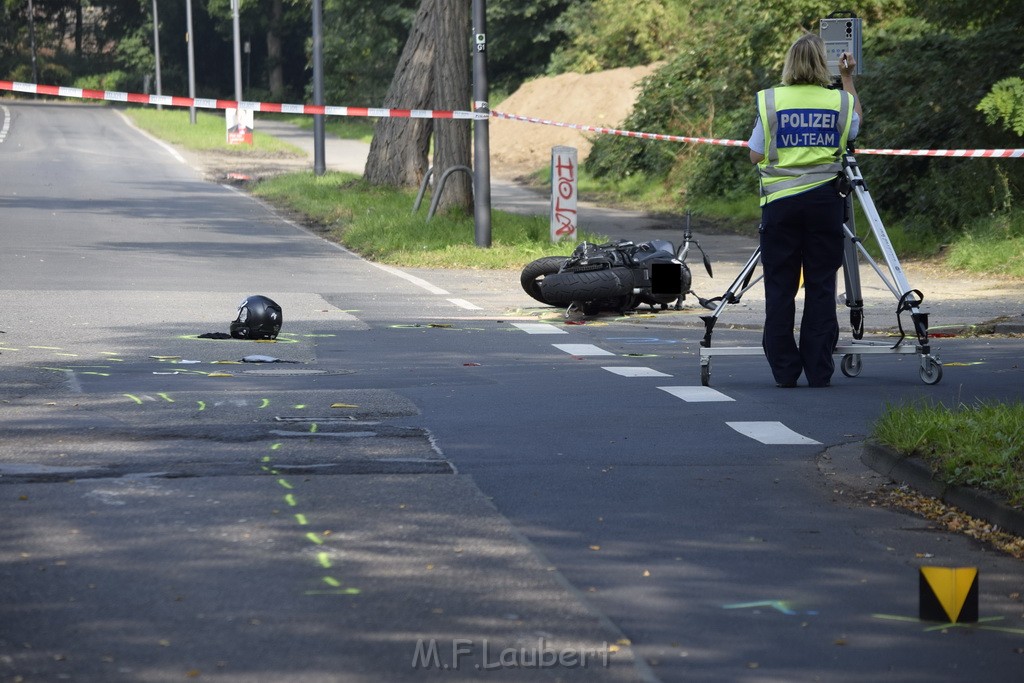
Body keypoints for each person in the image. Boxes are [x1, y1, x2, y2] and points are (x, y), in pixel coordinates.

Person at [747, 33, 862, 388]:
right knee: (821, 284)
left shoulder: (771, 101)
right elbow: (856, 125)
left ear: (788, 64)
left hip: (780, 208)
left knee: (780, 287)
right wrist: (847, 78)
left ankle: (784, 370)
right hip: (825, 205)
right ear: (821, 65)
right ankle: (818, 370)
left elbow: (755, 154)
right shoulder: (839, 102)